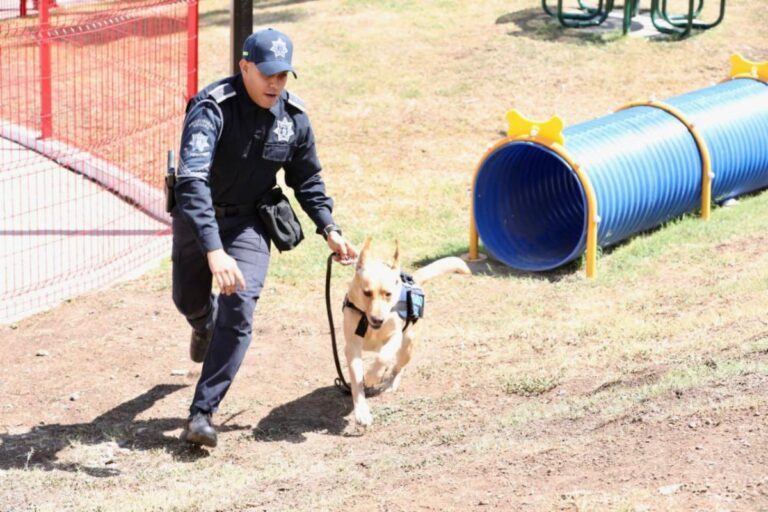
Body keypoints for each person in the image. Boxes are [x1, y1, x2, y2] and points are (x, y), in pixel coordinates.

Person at [171, 28, 357, 447]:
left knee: (239, 308)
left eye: (284, 75)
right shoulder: (212, 108)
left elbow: (306, 177)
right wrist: (214, 251)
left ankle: (202, 413)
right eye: (267, 74)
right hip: (199, 220)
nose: (275, 83)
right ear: (245, 67)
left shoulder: (293, 118)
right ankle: (202, 324)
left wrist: (329, 227)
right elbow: (192, 182)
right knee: (188, 299)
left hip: (249, 222)